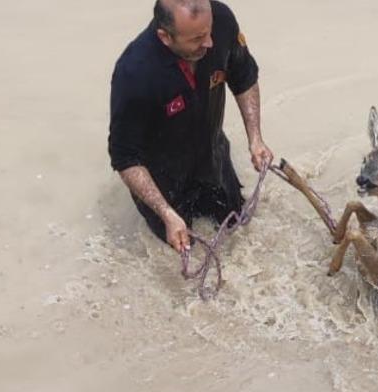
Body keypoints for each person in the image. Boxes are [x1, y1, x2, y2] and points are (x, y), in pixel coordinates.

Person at [108, 0, 273, 254]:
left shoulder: (221, 20)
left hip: (213, 157)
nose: (209, 43)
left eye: (208, 31)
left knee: (238, 230)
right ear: (165, 37)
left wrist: (255, 138)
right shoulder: (134, 73)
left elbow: (244, 76)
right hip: (164, 181)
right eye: (197, 39)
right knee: (180, 257)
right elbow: (125, 157)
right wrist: (166, 213)